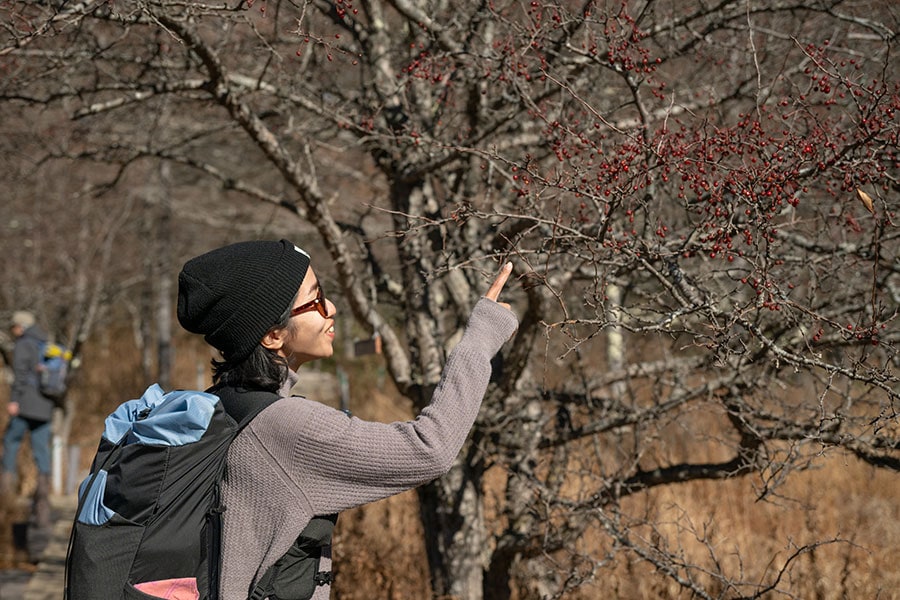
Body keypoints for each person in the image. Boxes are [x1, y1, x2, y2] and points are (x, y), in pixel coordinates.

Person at [176, 238, 518, 599]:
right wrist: (480, 340)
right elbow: (430, 448)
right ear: (273, 335)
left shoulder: (215, 408)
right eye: (315, 301)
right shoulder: (287, 428)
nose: (332, 308)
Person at [2, 310, 54, 529]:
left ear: (21, 327)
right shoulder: (46, 342)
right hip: (45, 406)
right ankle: (43, 509)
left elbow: (20, 375)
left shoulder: (24, 344)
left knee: (10, 442)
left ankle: (6, 497)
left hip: (26, 405)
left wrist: (14, 401)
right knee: (41, 452)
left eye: (14, 327)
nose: (13, 330)